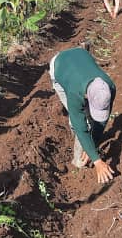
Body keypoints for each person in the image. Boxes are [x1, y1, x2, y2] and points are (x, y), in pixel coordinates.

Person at [49, 47, 117, 183]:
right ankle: (78, 162)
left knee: (93, 123)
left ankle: (87, 146)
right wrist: (97, 160)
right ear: (86, 96)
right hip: (59, 67)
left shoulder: (109, 87)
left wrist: (94, 144)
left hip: (80, 56)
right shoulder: (75, 93)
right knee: (83, 122)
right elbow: (80, 126)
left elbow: (102, 121)